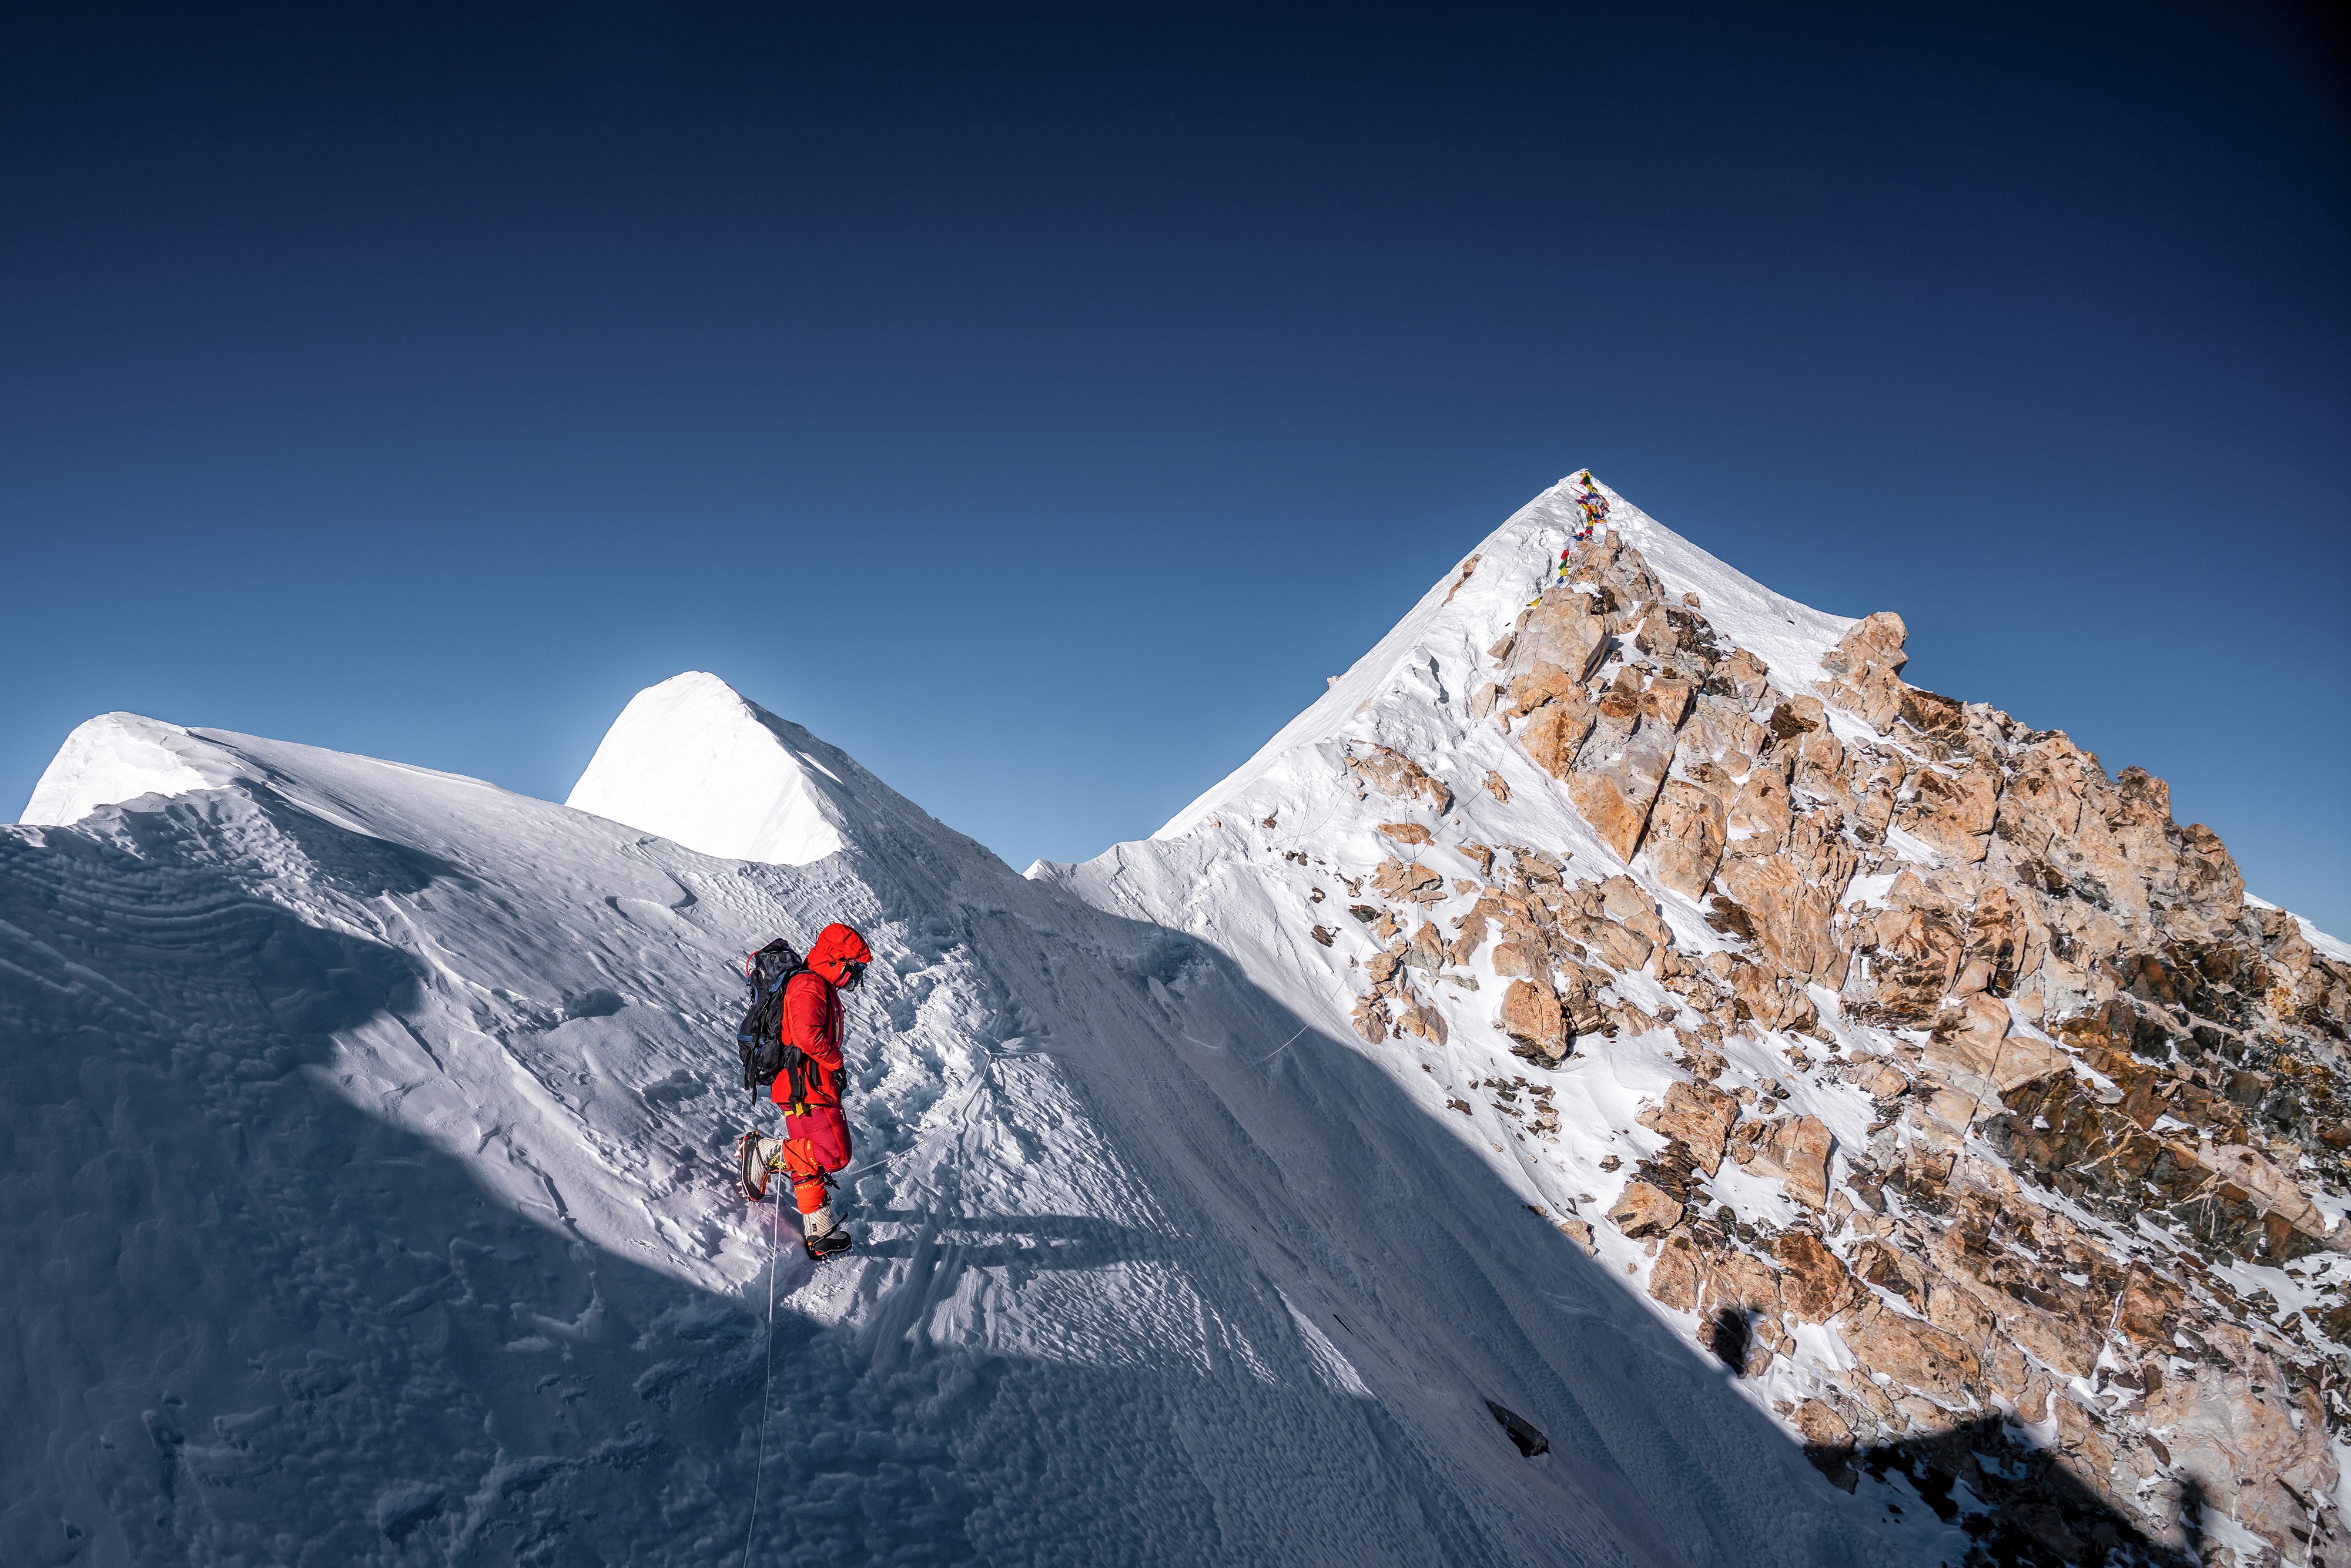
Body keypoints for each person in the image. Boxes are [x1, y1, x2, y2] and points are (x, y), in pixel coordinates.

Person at [737, 922, 873, 1259]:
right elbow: (807, 1035)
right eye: (854, 970)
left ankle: (819, 1230)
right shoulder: (810, 984)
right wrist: (836, 1063)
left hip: (798, 1086)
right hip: (809, 1085)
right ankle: (763, 1152)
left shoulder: (811, 984)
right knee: (834, 1154)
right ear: (837, 960)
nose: (855, 980)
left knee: (807, 1159)